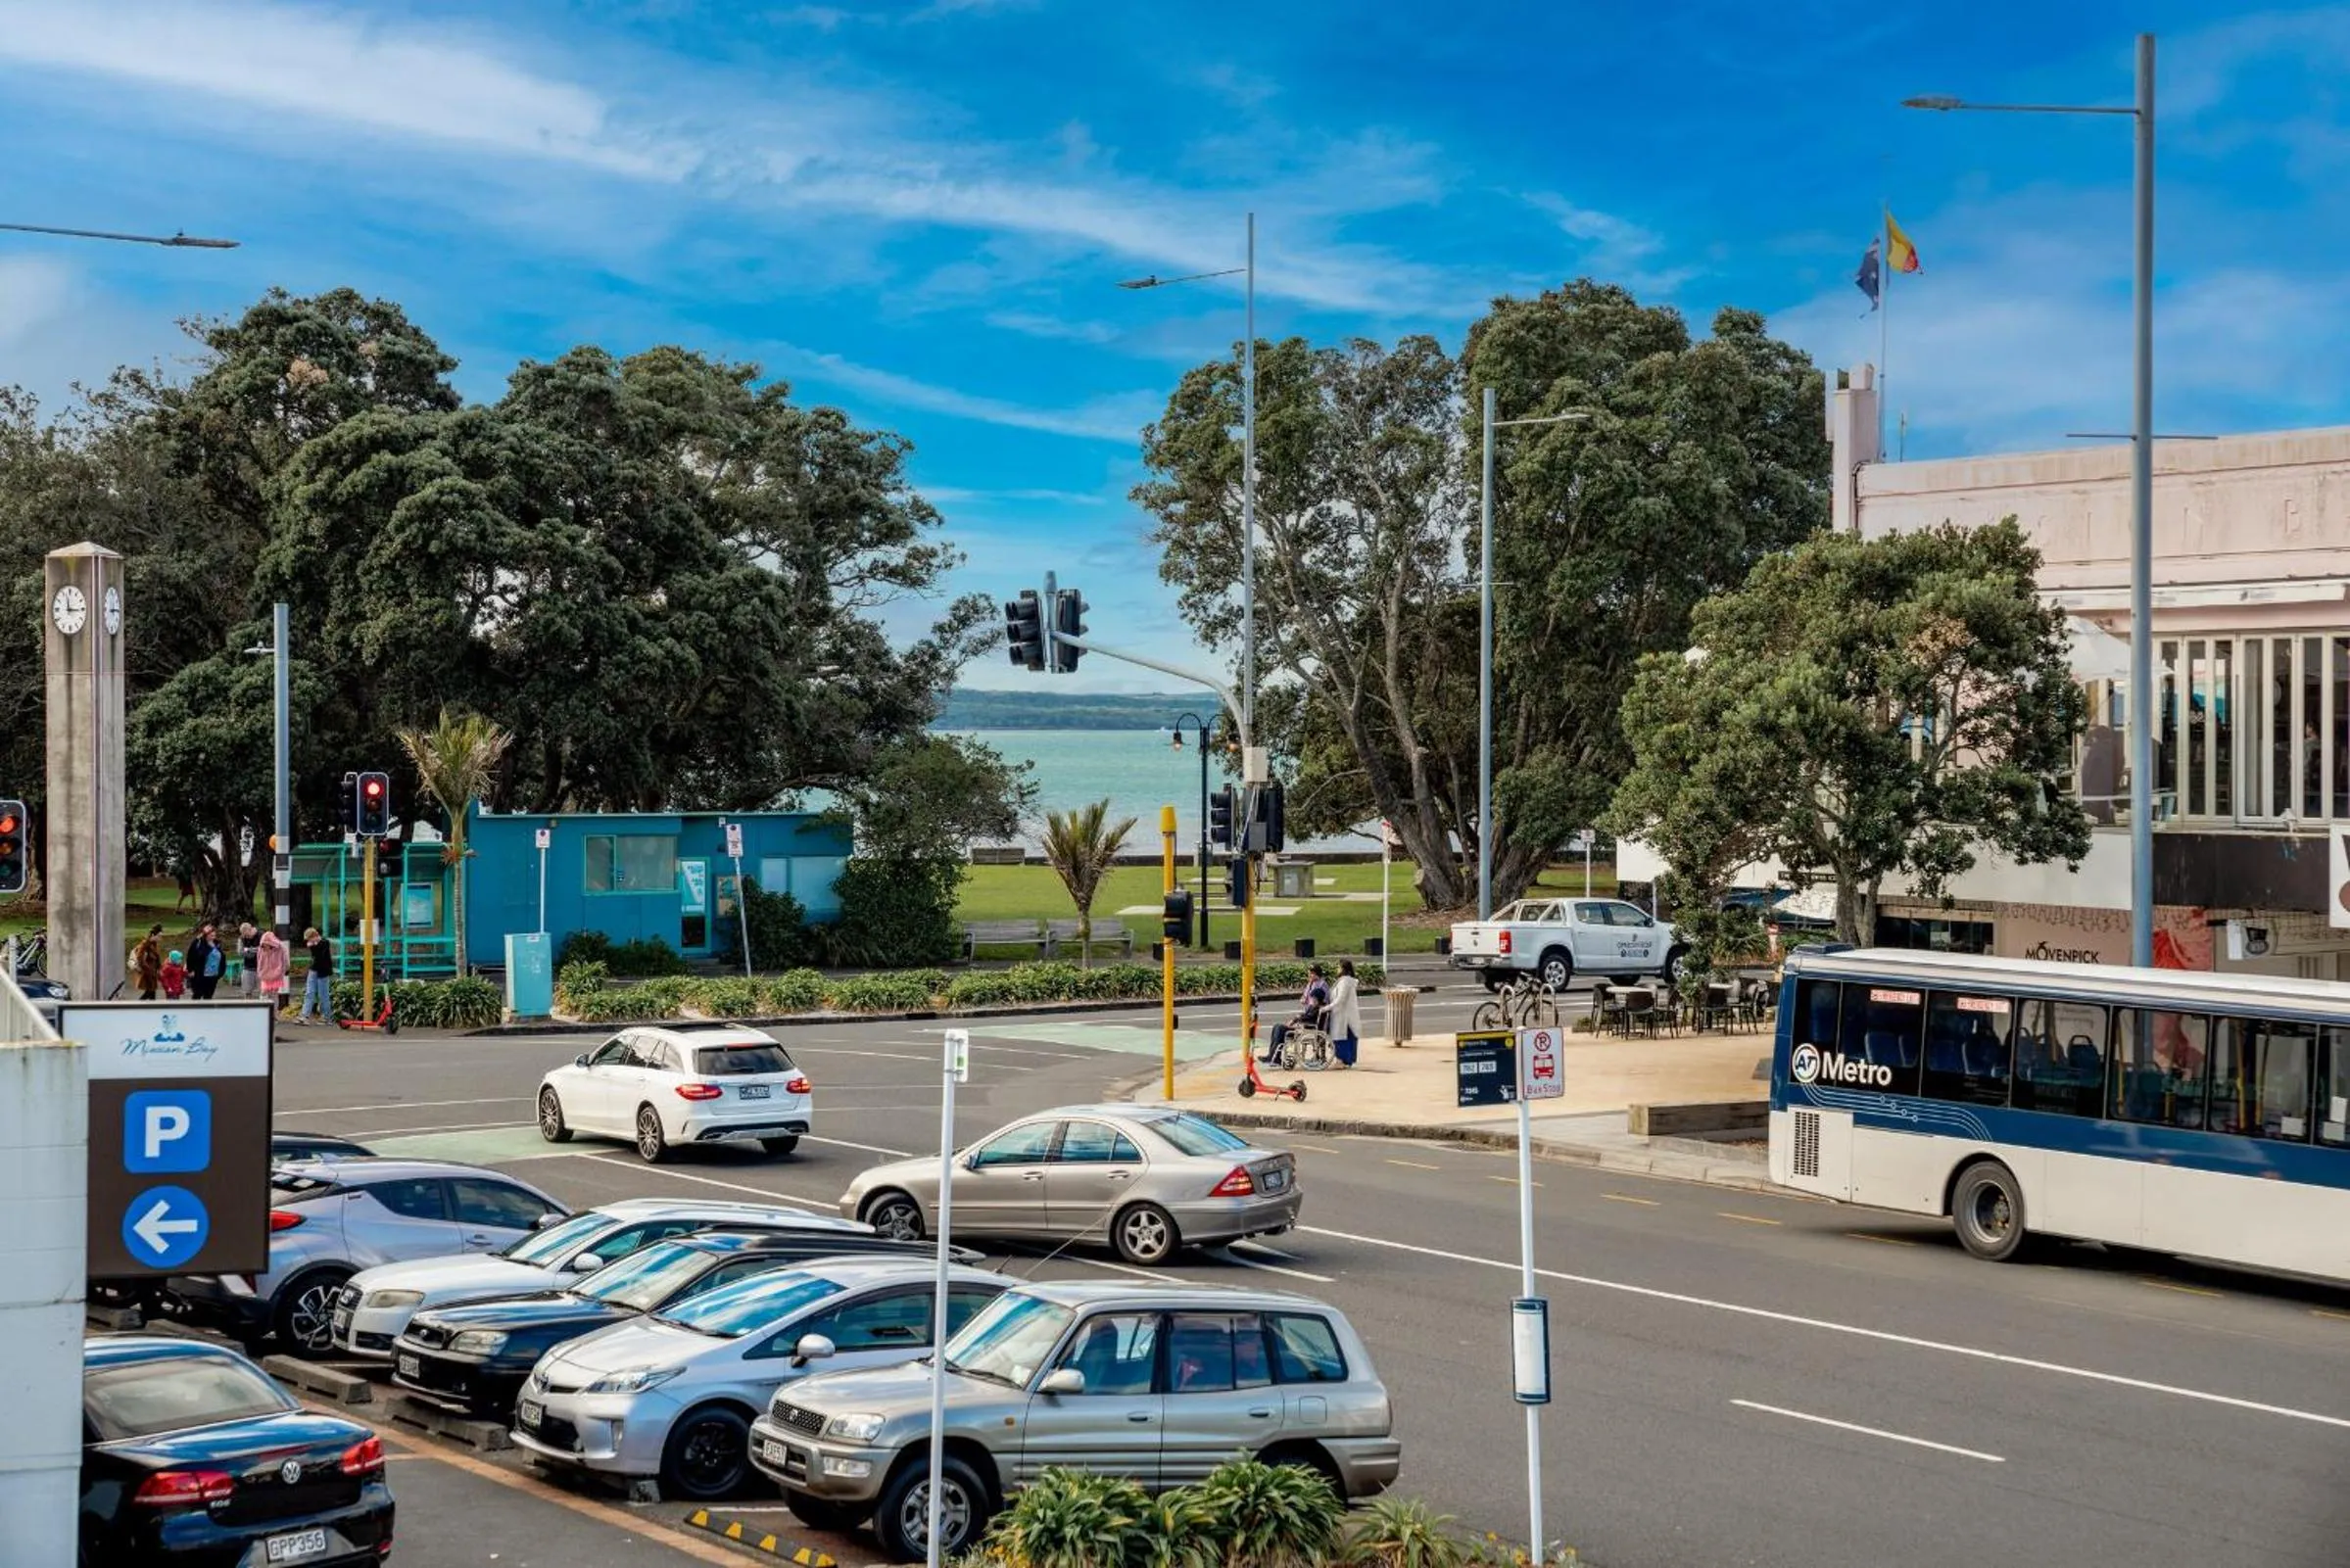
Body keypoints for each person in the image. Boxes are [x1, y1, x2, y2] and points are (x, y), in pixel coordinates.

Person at [1263, 963, 1330, 1063]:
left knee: (1279, 1028)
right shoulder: (1310, 985)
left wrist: (1295, 1020)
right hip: (1307, 1017)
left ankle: (1274, 1057)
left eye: (1312, 973)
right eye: (1309, 973)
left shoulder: (1321, 988)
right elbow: (1307, 998)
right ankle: (1273, 1056)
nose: (1310, 975)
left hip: (1309, 1024)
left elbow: (1319, 1002)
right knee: (1277, 1027)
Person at [1326, 959, 1364, 1068]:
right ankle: (1346, 1061)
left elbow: (1340, 999)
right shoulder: (1345, 981)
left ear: (1343, 969)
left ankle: (1342, 1061)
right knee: (1346, 1038)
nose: (1337, 969)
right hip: (1343, 1015)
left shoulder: (1345, 982)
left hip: (1344, 1016)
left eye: (1338, 967)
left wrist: (1327, 1007)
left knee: (1342, 1038)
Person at [297, 927, 335, 1025]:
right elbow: (314, 956)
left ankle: (327, 1017)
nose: (308, 941)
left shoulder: (325, 942)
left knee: (323, 995)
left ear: (314, 936)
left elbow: (320, 955)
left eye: (309, 939)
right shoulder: (313, 944)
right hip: (313, 970)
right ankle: (304, 1015)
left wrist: (314, 946)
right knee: (309, 993)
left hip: (323, 971)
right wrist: (312, 945)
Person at [256, 927, 290, 1015]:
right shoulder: (260, 949)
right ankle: (262, 1012)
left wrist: (284, 968)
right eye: (263, 944)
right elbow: (258, 960)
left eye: (267, 944)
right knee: (263, 992)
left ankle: (273, 1014)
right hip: (265, 974)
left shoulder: (280, 948)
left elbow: (285, 960)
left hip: (276, 974)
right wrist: (259, 970)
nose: (265, 946)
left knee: (274, 994)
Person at [186, 923, 223, 1001]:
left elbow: (222, 958)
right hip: (201, 975)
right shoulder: (200, 944)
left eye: (214, 935)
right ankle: (195, 1011)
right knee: (197, 995)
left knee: (208, 996)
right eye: (210, 935)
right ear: (206, 935)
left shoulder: (217, 944)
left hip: (213, 975)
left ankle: (207, 1012)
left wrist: (221, 972)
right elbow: (191, 955)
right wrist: (190, 970)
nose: (213, 937)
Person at [130, 924, 165, 1001]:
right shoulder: (145, 944)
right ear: (153, 935)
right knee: (149, 993)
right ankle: (136, 1008)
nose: (160, 938)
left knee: (151, 993)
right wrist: (149, 970)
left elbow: (156, 958)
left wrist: (158, 968)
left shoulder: (153, 944)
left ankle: (151, 1010)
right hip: (148, 973)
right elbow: (140, 958)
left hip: (152, 973)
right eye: (159, 936)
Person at [235, 923, 260, 998]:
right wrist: (253, 951)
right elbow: (240, 952)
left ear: (251, 929)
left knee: (263, 991)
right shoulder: (242, 938)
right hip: (248, 967)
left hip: (261, 968)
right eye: (244, 935)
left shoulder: (261, 935)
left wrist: (248, 949)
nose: (246, 937)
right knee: (247, 991)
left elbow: (262, 949)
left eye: (247, 935)